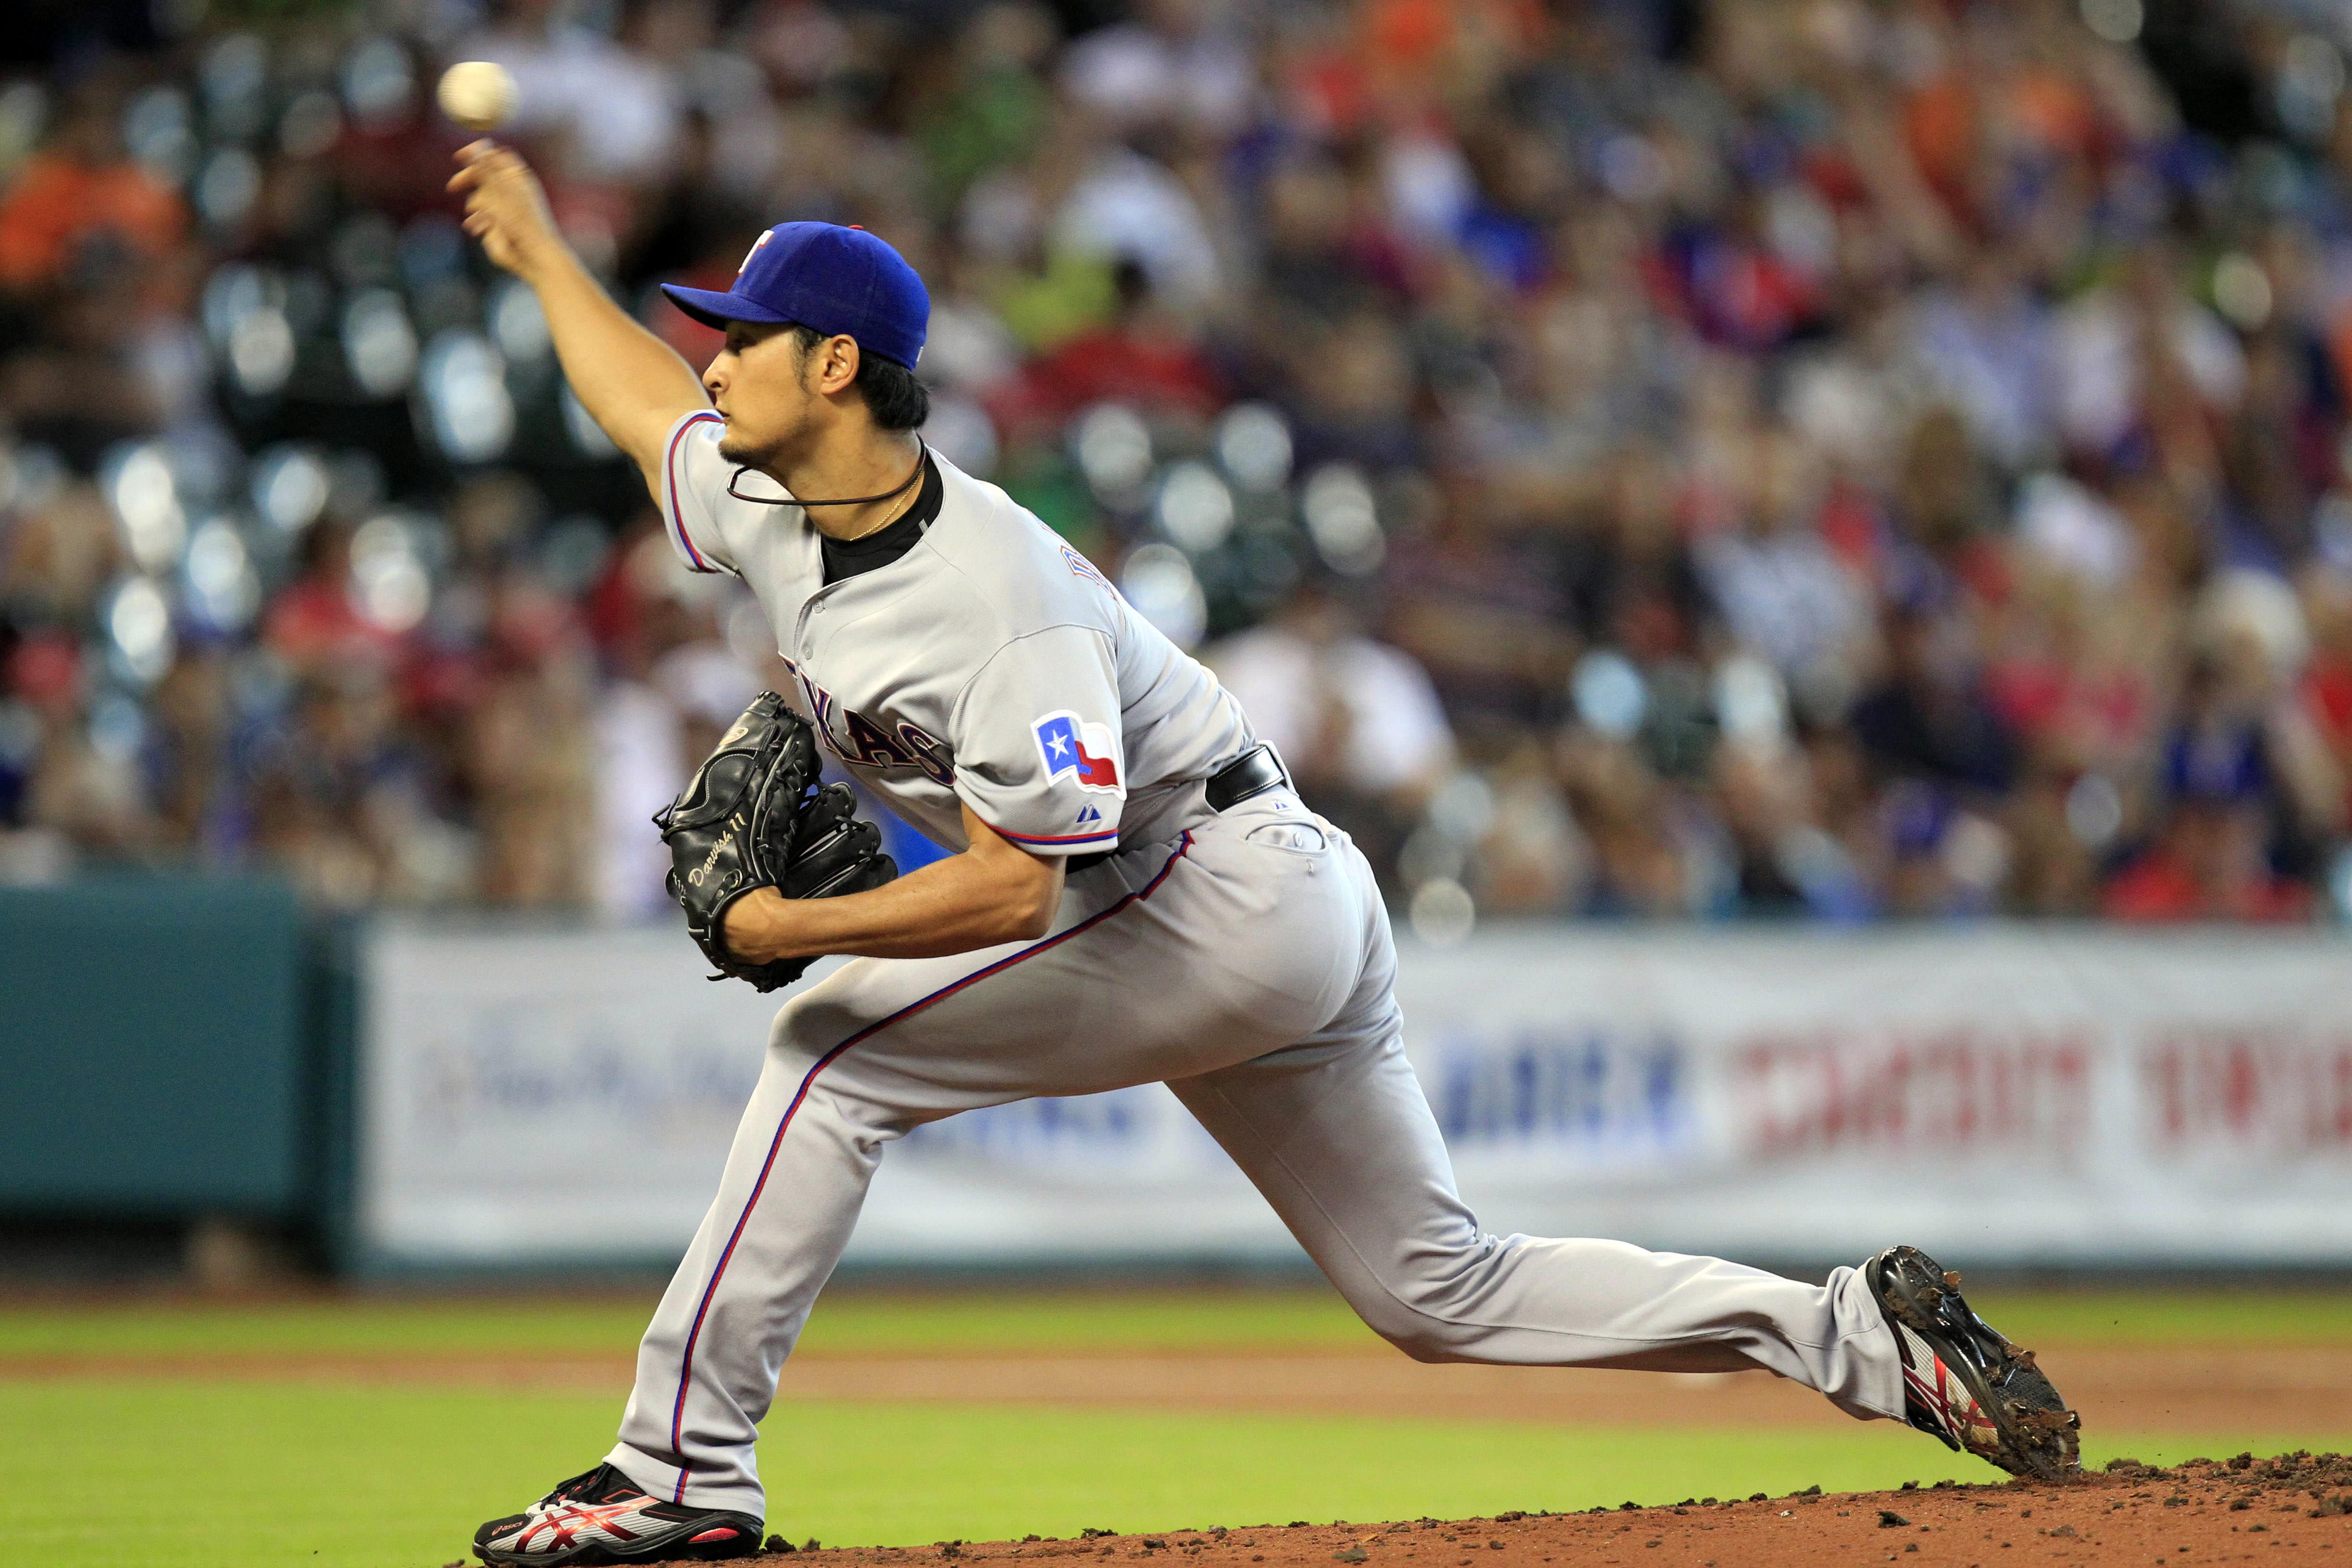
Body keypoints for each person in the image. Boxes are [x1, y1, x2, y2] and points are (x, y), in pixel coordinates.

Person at [447, 142, 2079, 1568]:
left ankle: (677, 1476)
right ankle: (1854, 1335)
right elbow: (643, 405)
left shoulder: (991, 601)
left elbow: (1027, 887)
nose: (712, 362)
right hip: (1260, 879)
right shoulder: (773, 503)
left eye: (742, 338)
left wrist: (800, 924)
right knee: (1435, 1289)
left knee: (827, 1049)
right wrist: (535, 253)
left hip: (1207, 891)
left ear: (836, 366)